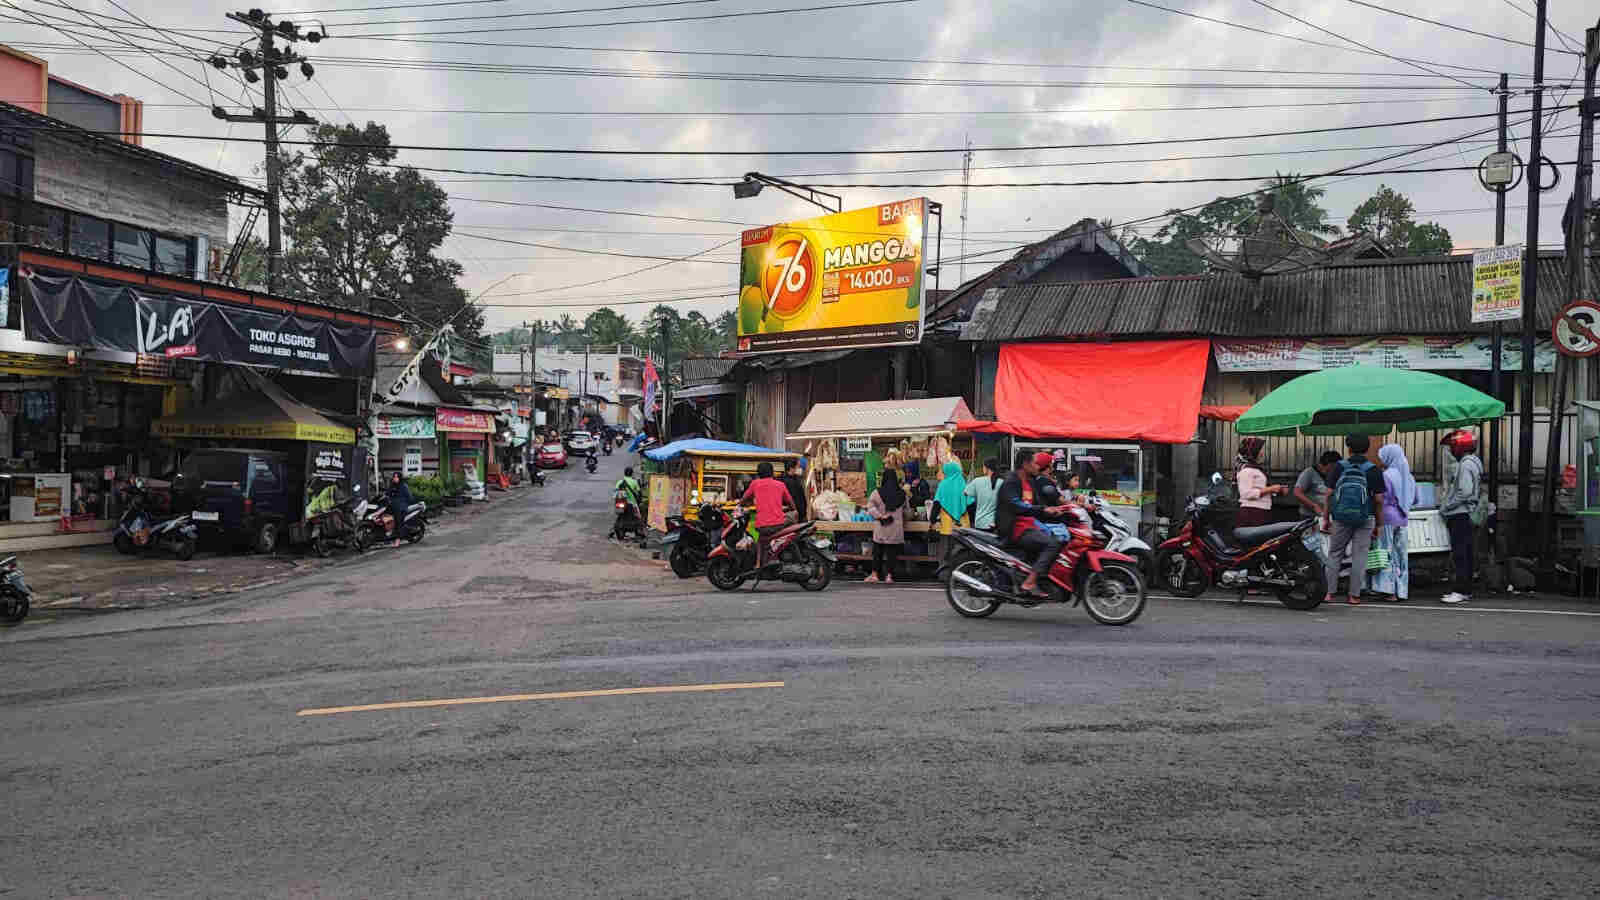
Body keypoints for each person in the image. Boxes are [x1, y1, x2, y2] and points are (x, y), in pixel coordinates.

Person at [995, 450, 1071, 595]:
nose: (1038, 467)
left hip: (1029, 525)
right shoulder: (1011, 481)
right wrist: (1043, 509)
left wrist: (1057, 510)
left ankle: (1041, 579)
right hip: (1014, 527)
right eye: (1035, 463)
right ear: (1025, 464)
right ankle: (1030, 582)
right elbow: (1016, 504)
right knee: (1053, 543)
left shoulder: (1029, 482)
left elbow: (1038, 504)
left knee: (1059, 540)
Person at [1324, 433, 1387, 606]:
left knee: (1335, 553)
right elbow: (1379, 500)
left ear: (1349, 448)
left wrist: (1326, 518)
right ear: (1367, 449)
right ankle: (1354, 595)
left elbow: (1328, 494)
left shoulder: (1338, 467)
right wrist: (1379, 523)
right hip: (1365, 518)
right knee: (1360, 556)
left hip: (1340, 517)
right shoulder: (1373, 470)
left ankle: (1328, 593)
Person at [1439, 429, 1483, 605]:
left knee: (1460, 554)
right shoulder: (1474, 463)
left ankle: (1460, 591)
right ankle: (1466, 590)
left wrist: (1447, 506)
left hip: (1460, 514)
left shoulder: (1465, 465)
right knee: (1467, 553)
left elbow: (1464, 491)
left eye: (1452, 447)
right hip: (1468, 513)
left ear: (1460, 447)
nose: (1450, 450)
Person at [1371, 443, 1415, 603]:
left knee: (1387, 553)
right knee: (1401, 555)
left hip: (1387, 517)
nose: (1380, 459)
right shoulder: (1409, 476)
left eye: (1382, 456)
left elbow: (1380, 500)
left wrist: (1377, 521)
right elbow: (1416, 499)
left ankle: (1389, 591)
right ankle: (1401, 591)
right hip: (1403, 519)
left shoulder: (1386, 475)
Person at [740, 461, 794, 565]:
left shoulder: (755, 484)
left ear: (758, 473)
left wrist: (741, 504)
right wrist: (790, 509)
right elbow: (791, 503)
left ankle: (758, 564)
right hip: (779, 524)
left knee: (761, 540)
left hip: (762, 526)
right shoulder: (780, 484)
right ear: (772, 472)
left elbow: (743, 500)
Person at [1293, 450, 1342, 566]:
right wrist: (1313, 505)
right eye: (1335, 466)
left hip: (1326, 518)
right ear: (1330, 464)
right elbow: (1297, 492)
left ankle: (1322, 567)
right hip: (1309, 517)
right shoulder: (1309, 473)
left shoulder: (1332, 475)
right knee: (1309, 545)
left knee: (1324, 546)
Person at [863, 469, 906, 584]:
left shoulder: (877, 493)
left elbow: (870, 508)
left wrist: (880, 516)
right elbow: (907, 510)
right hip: (895, 528)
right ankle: (889, 576)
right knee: (892, 553)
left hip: (882, 526)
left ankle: (875, 575)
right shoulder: (902, 493)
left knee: (878, 552)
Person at [1234, 437, 1287, 528]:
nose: (1262, 453)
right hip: (1251, 512)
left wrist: (1277, 491)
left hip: (1260, 511)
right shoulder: (1246, 471)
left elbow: (1260, 489)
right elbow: (1246, 494)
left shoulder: (1255, 468)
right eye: (1260, 450)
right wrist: (1271, 488)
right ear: (1253, 452)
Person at [962, 457, 1003, 531]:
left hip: (980, 523)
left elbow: (965, 493)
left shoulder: (977, 481)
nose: (982, 468)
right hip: (997, 524)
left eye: (983, 466)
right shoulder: (1002, 482)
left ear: (987, 468)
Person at [930, 460, 969, 531]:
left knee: (946, 539)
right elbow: (969, 502)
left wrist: (932, 520)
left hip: (947, 523)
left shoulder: (943, 484)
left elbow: (937, 503)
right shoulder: (963, 483)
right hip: (963, 523)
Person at [385, 471, 414, 548]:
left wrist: (403, 503)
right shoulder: (392, 486)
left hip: (401, 507)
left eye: (396, 477)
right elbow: (387, 494)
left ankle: (397, 540)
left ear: (400, 478)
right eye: (394, 477)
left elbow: (410, 497)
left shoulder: (404, 486)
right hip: (392, 506)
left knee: (398, 522)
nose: (395, 478)